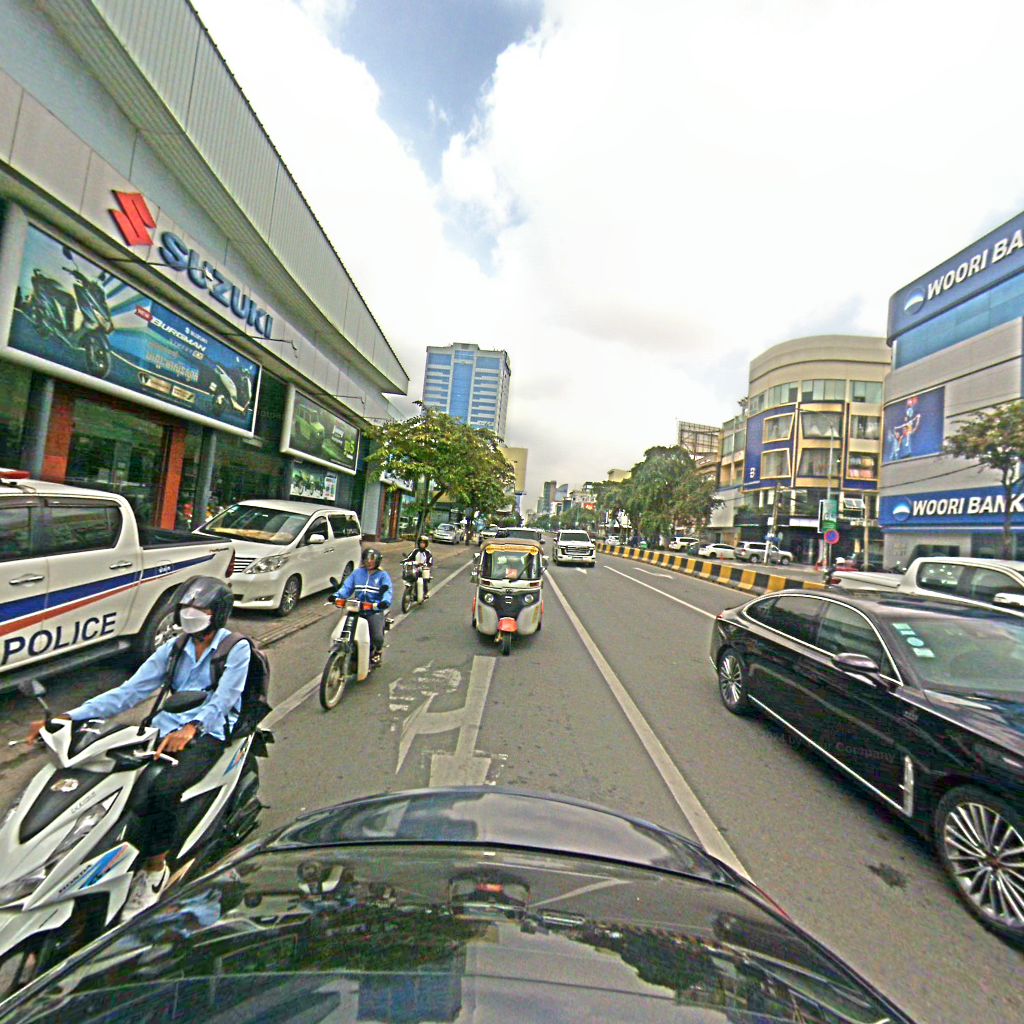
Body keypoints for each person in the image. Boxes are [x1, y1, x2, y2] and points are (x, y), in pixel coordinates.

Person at [25, 577, 250, 920]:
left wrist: (193, 727)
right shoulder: (173, 648)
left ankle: (155, 869)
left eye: (199, 609)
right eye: (186, 608)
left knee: (162, 790)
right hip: (164, 726)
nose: (190, 614)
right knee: (113, 781)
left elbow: (225, 698)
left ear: (216, 614)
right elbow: (130, 691)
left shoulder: (236, 649)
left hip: (211, 730)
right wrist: (69, 716)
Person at [334, 548, 392, 664]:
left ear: (377, 561)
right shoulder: (357, 573)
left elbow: (387, 591)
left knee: (377, 636)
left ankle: (378, 651)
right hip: (357, 608)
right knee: (344, 630)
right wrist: (336, 596)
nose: (369, 562)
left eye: (372, 560)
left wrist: (384, 602)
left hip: (373, 609)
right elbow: (347, 587)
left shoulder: (383, 575)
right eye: (366, 559)